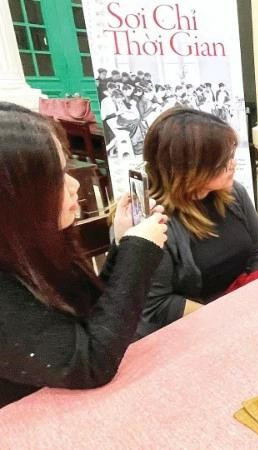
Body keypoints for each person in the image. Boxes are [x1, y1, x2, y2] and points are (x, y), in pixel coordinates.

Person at [0, 102, 168, 408]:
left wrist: (122, 243)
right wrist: (137, 252)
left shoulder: (30, 247)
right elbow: (92, 362)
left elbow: (92, 317)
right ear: (16, 195)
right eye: (58, 175)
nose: (76, 184)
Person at [136, 108, 258, 337]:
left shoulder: (233, 194)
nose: (233, 164)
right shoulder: (152, 222)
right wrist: (226, 320)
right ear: (190, 168)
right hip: (192, 331)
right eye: (222, 161)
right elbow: (158, 305)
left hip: (241, 313)